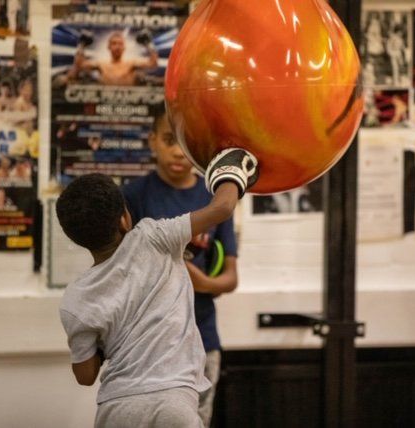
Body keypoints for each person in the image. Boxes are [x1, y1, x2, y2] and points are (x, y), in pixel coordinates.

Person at [56, 147, 258, 427]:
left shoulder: (75, 299)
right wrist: (234, 167)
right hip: (174, 400)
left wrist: (106, 341)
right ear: (125, 220)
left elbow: (85, 375)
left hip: (115, 407)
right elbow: (222, 208)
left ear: (75, 237)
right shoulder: (153, 237)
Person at [122, 107, 240, 427]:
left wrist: (201, 283)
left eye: (187, 143)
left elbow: (230, 278)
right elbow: (119, 270)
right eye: (169, 140)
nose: (178, 151)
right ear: (152, 142)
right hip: (147, 343)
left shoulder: (215, 195)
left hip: (202, 337)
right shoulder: (133, 195)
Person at [67, 31, 158, 86]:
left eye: (120, 44)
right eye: (114, 43)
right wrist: (81, 45)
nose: (117, 47)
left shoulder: (131, 63)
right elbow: (80, 64)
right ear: (109, 46)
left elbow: (152, 63)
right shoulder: (101, 63)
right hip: (104, 102)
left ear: (124, 47)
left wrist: (148, 44)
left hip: (129, 102)